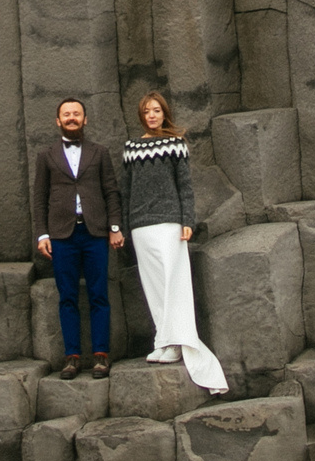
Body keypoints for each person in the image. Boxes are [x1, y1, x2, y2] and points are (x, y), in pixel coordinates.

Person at [120, 91, 227, 395]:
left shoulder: (174, 144)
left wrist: (187, 222)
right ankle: (163, 341)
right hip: (141, 226)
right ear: (141, 115)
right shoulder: (130, 148)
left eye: (156, 110)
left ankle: (178, 343)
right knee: (152, 284)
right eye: (147, 111)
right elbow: (126, 191)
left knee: (173, 283)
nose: (152, 115)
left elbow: (185, 186)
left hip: (169, 222)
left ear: (164, 113)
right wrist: (127, 227)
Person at [31, 96, 123, 380]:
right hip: (61, 235)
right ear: (58, 121)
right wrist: (42, 234)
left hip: (95, 232)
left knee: (99, 295)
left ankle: (101, 355)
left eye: (77, 113)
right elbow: (39, 197)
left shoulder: (100, 152)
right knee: (67, 296)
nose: (72, 118)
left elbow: (111, 191)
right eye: (66, 114)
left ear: (85, 119)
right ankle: (71, 357)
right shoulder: (46, 155)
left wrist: (115, 226)